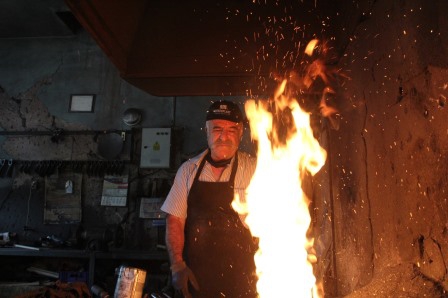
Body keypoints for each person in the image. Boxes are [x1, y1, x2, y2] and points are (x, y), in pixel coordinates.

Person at [161, 100, 258, 298]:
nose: (224, 136)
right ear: (206, 131)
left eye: (232, 129)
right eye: (217, 129)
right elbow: (175, 221)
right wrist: (177, 265)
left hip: (246, 276)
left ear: (241, 133)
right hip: (196, 278)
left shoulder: (256, 169)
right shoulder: (188, 171)